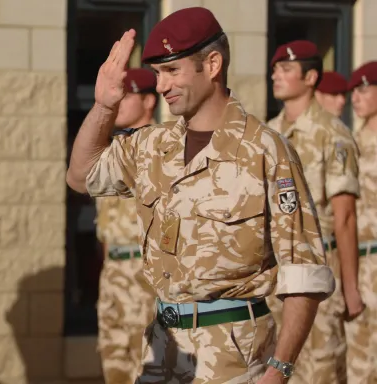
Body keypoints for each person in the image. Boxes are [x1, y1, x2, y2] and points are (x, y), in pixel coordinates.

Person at [66, 7, 335, 383]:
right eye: (158, 73)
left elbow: (303, 273)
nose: (161, 86)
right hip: (162, 346)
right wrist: (103, 106)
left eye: (172, 71)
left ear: (212, 64)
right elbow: (82, 176)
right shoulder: (152, 145)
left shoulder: (265, 150)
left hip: (232, 355)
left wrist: (280, 368)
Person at [267, 40, 364, 384]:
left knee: (321, 373)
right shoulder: (269, 134)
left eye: (286, 69)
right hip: (275, 280)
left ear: (310, 78)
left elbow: (345, 217)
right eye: (276, 68)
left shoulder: (333, 134)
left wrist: (351, 288)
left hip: (318, 278)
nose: (276, 75)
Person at [94, 68, 158, 384]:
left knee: (146, 368)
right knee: (114, 367)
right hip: (113, 275)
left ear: (148, 100)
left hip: (144, 277)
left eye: (127, 95)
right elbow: (105, 226)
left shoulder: (162, 149)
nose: (118, 103)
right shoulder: (111, 151)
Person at [345, 60, 377, 383]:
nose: (356, 97)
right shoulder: (350, 143)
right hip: (362, 264)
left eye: (364, 89)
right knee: (359, 366)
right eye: (354, 90)